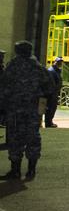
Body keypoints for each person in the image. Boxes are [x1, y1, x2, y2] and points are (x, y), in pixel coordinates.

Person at [1, 41, 54, 180]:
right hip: (33, 110)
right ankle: (31, 171)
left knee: (15, 138)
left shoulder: (12, 66)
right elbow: (50, 87)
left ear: (17, 51)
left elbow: (4, 87)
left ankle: (16, 171)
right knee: (33, 138)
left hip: (15, 109)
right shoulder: (38, 67)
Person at [45, 57, 63, 128]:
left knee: (52, 108)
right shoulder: (51, 71)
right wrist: (53, 91)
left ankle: (49, 122)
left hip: (54, 92)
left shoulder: (56, 71)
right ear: (55, 62)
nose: (60, 63)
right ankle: (48, 123)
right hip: (52, 93)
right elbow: (51, 83)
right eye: (59, 62)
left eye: (61, 62)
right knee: (50, 108)